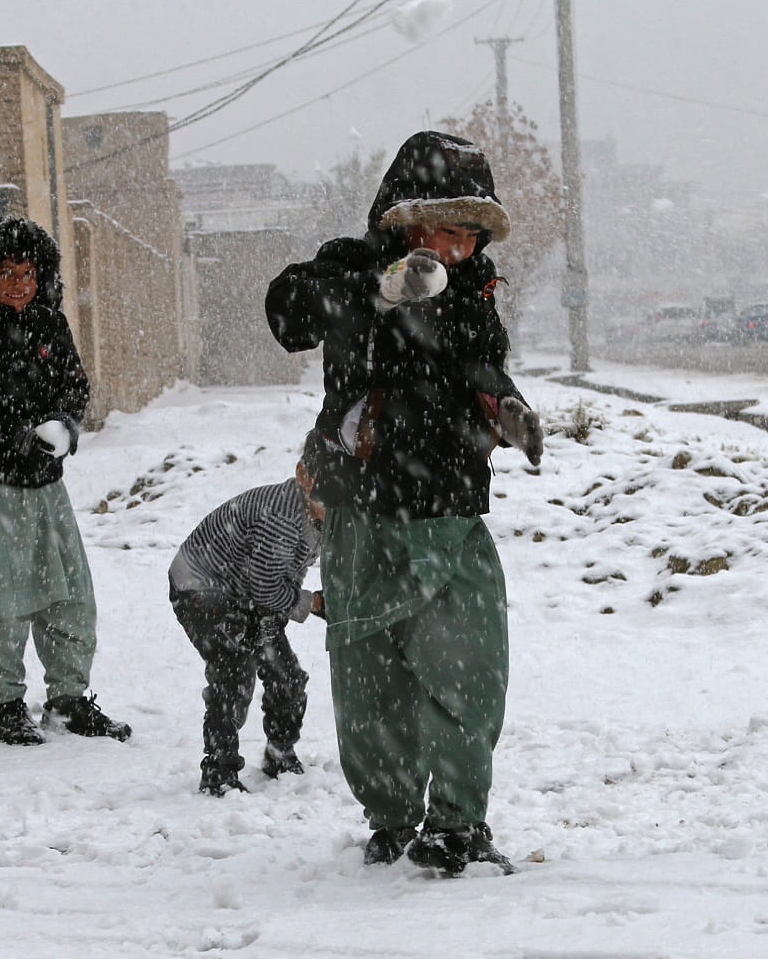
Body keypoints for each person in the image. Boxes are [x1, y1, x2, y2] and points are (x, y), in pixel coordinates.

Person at [266, 130, 544, 876]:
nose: (460, 248)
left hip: (450, 504)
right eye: (448, 230)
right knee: (370, 677)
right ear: (406, 216)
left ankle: (458, 822)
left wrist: (504, 403)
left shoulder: (473, 285)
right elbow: (287, 314)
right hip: (364, 503)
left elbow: (478, 362)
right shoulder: (349, 266)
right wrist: (380, 292)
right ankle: (391, 818)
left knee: (467, 666)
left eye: (471, 233)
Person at [0, 215, 131, 746]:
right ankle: (5, 706)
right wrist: (11, 434)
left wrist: (65, 426)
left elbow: (75, 386)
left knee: (69, 595)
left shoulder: (51, 327)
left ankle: (67, 701)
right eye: (8, 271)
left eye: (29, 272)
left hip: (46, 490)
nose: (20, 282)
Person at [168, 440, 327, 797]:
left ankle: (279, 751)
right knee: (234, 668)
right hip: (200, 587)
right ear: (303, 475)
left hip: (248, 593)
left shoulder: (316, 513)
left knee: (286, 674)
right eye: (329, 489)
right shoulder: (282, 520)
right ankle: (218, 769)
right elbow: (268, 590)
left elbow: (282, 579)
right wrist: (312, 604)